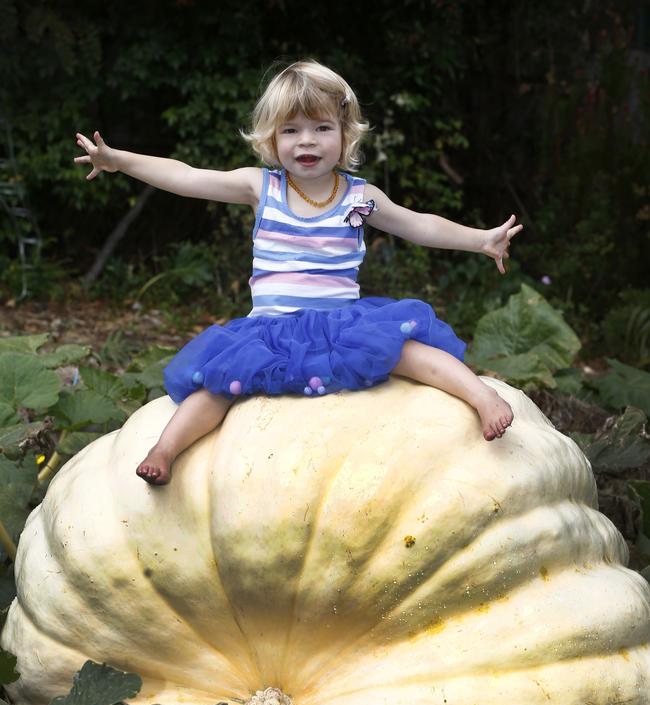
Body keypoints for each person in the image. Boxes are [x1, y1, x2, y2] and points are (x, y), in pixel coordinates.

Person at [74, 59, 522, 486]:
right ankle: (164, 451)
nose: (306, 141)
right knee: (216, 388)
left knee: (411, 352)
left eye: (322, 128)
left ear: (346, 135)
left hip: (341, 326)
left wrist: (479, 239)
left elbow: (418, 223)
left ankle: (484, 398)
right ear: (272, 138)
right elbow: (187, 175)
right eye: (292, 130)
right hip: (269, 331)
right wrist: (121, 161)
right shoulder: (260, 186)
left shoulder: (359, 196)